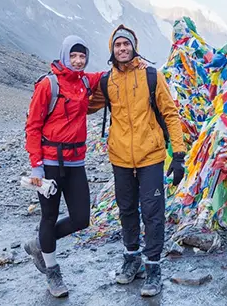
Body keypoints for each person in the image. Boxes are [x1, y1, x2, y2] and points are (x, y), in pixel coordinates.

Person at [88, 24, 186, 297]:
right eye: (117, 45)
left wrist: (178, 154)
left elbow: (170, 114)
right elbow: (83, 106)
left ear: (133, 47)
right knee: (127, 209)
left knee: (153, 212)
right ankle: (132, 260)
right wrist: (60, 86)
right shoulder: (108, 82)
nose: (122, 49)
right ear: (112, 49)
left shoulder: (152, 76)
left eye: (126, 44)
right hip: (120, 157)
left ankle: (153, 267)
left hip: (150, 156)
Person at [23, 35, 104, 298]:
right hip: (48, 164)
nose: (78, 61)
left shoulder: (83, 81)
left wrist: (129, 62)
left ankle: (40, 244)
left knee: (82, 218)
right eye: (74, 56)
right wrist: (36, 166)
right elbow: (33, 126)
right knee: (48, 216)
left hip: (76, 161)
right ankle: (52, 270)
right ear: (65, 55)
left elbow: (104, 75)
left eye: (82, 56)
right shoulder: (48, 85)